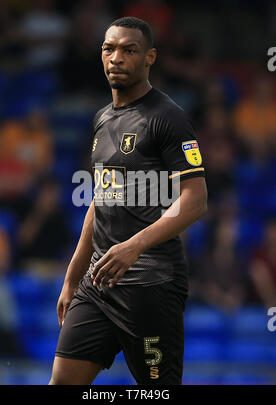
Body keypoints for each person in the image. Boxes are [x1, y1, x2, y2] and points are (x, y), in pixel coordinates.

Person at [49, 17, 207, 385]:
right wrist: (73, 278)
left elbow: (196, 201)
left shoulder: (169, 118)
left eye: (128, 50)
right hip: (98, 284)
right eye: (109, 48)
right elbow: (99, 201)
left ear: (149, 57)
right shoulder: (102, 119)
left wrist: (131, 247)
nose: (116, 58)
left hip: (151, 286)